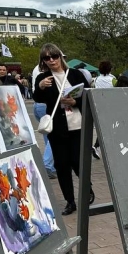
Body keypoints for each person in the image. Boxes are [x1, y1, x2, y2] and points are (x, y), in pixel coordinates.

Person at [33, 43, 93, 215]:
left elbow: (89, 96)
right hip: (57, 128)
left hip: (78, 125)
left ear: (60, 56)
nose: (51, 60)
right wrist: (41, 87)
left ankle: (87, 190)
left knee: (77, 162)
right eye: (47, 58)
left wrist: (76, 102)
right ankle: (70, 201)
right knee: (62, 165)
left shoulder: (76, 74)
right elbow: (38, 98)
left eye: (54, 56)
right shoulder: (43, 78)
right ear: (43, 61)